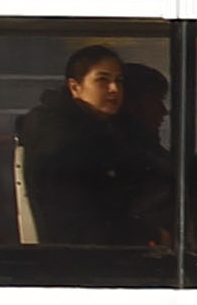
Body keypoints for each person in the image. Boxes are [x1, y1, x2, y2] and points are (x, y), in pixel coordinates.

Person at [16, 43, 174, 248]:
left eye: (119, 81)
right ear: (75, 87)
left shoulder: (104, 132)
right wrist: (150, 235)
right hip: (88, 258)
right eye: (103, 80)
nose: (114, 89)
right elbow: (83, 219)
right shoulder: (66, 142)